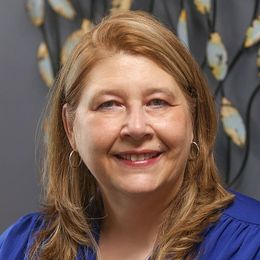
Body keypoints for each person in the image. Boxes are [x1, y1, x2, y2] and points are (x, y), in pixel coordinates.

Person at [1, 10, 260, 260]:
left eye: (157, 102)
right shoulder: (21, 246)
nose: (136, 128)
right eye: (109, 104)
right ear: (70, 128)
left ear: (193, 118)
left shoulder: (252, 244)